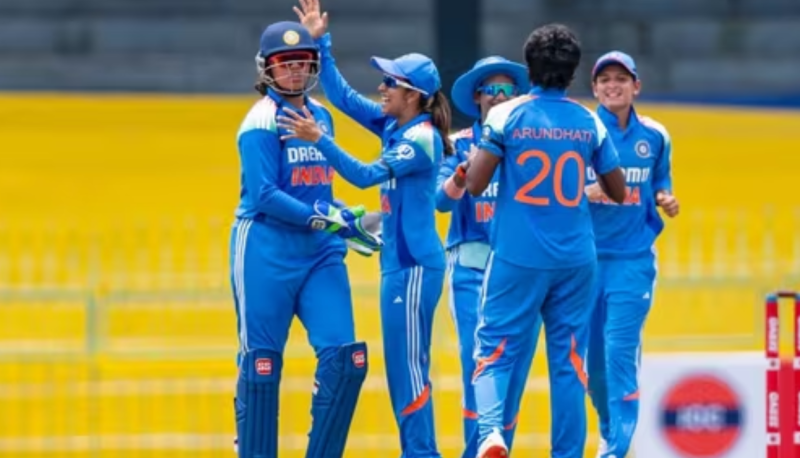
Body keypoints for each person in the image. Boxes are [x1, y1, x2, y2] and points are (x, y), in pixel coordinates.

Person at [277, 1, 450, 456]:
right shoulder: (396, 123)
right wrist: (320, 43)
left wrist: (319, 139)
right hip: (399, 266)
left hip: (414, 269)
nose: (382, 87)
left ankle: (422, 453)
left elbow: (365, 175)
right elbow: (343, 97)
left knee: (408, 370)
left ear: (413, 94)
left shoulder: (420, 138)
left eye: (391, 82)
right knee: (401, 370)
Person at [462, 24, 627, 458]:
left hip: (518, 256)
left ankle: (491, 433)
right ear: (573, 73)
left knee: (493, 350)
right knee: (570, 362)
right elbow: (618, 190)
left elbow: (475, 185)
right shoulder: (588, 121)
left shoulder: (506, 115)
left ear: (529, 69)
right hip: (576, 258)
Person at [230, 20, 382, 458]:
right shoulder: (261, 120)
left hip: (320, 253)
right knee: (261, 366)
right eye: (285, 63)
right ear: (267, 68)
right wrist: (325, 220)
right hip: (266, 249)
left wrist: (345, 218)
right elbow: (264, 194)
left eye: (302, 62)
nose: (295, 70)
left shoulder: (322, 117)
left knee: (346, 361)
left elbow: (319, 189)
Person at [435, 56, 542, 458]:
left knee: (513, 373)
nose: (498, 97)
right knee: (477, 366)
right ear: (477, 97)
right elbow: (440, 202)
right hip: (471, 268)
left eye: (506, 90)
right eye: (490, 90)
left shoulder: (529, 143)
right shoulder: (458, 142)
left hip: (521, 270)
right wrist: (461, 176)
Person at [585, 50, 679, 458]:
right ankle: (610, 432)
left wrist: (665, 198)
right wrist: (584, 193)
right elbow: (559, 189)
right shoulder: (584, 131)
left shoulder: (655, 135)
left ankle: (616, 450)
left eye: (621, 79)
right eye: (605, 80)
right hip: (584, 263)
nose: (613, 86)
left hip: (632, 261)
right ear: (594, 88)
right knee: (593, 367)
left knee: (619, 355)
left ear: (635, 86)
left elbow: (659, 182)